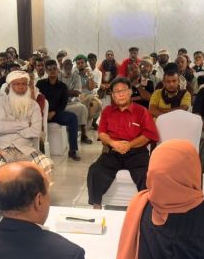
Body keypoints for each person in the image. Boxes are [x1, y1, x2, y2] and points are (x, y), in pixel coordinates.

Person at [87, 77, 159, 208]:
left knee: (147, 174)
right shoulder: (107, 111)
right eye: (116, 91)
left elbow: (148, 135)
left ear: (130, 92)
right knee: (95, 170)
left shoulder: (142, 111)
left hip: (137, 152)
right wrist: (114, 144)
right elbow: (102, 134)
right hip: (113, 151)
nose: (120, 94)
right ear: (112, 95)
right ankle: (96, 206)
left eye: (123, 90)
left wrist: (129, 145)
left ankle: (147, 209)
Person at [0, 71, 53, 183]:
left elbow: (36, 131)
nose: (21, 87)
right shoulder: (0, 103)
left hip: (25, 147)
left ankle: (37, 194)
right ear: (9, 87)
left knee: (46, 164)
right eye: (17, 84)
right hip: (3, 147)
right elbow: (0, 128)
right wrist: (26, 124)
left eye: (24, 84)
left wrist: (13, 129)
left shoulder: (34, 105)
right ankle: (1, 195)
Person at [37, 59, 81, 161]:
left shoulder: (62, 86)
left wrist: (54, 112)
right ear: (46, 71)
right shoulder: (40, 84)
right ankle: (39, 151)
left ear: (57, 70)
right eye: (49, 69)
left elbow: (63, 104)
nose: (52, 71)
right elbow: (37, 100)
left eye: (54, 69)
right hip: (41, 114)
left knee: (72, 118)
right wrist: (44, 113)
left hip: (56, 114)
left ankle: (72, 150)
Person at [75, 54, 102, 131]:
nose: (80, 65)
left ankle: (92, 122)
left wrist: (89, 75)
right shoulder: (75, 74)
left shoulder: (89, 73)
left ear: (85, 63)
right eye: (78, 63)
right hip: (78, 95)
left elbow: (91, 87)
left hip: (89, 95)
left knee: (99, 104)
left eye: (82, 63)